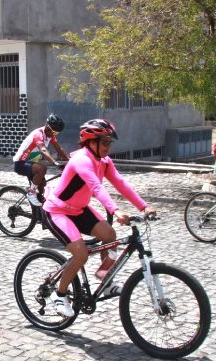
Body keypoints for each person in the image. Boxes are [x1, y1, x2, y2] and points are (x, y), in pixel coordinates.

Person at [42, 119, 156, 317]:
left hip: (79, 209)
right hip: (57, 210)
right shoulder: (81, 161)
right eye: (105, 143)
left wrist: (143, 206)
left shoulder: (104, 161)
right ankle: (59, 295)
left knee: (109, 235)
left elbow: (120, 183)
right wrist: (115, 210)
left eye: (110, 143)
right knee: (81, 254)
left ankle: (105, 280)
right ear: (91, 142)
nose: (108, 147)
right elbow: (96, 187)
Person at [12, 113, 70, 206]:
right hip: (20, 163)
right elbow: (43, 149)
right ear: (47, 126)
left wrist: (70, 161)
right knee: (41, 168)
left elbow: (59, 149)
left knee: (42, 185)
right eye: (54, 132)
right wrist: (55, 163)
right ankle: (31, 192)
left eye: (57, 133)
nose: (54, 134)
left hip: (30, 163)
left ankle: (39, 212)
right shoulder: (38, 134)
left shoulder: (50, 136)